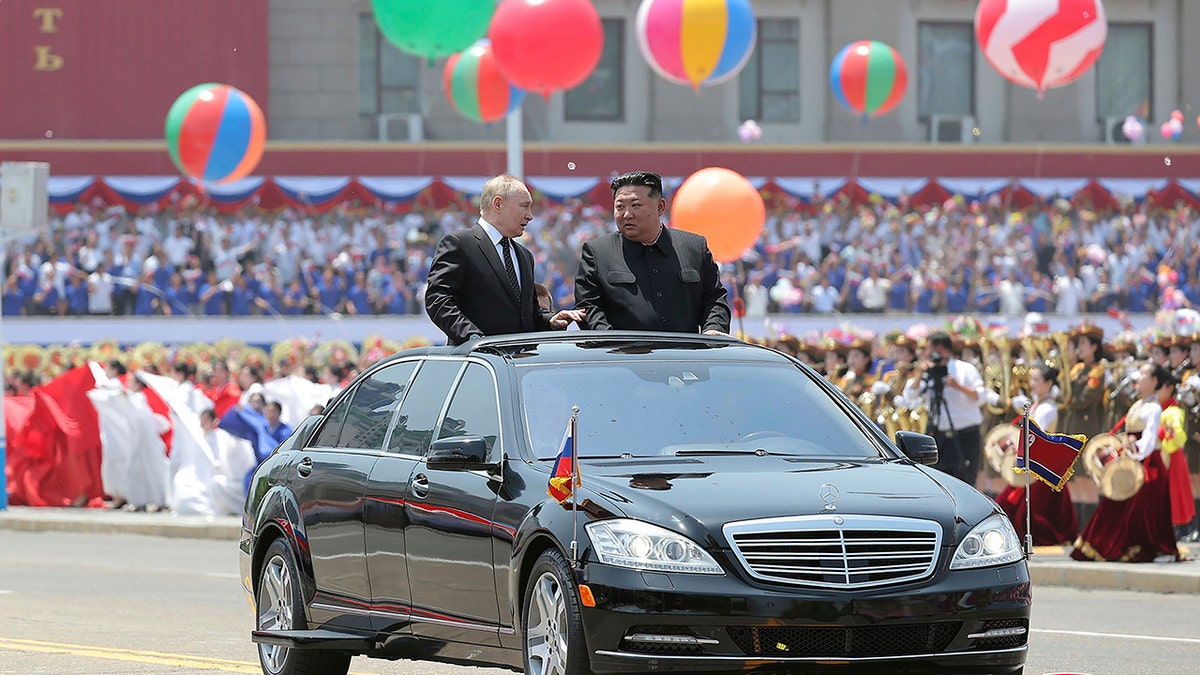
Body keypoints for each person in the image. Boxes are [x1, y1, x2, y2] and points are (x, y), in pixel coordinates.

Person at [425, 174, 582, 345]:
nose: (530, 216)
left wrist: (550, 321)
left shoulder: (524, 256)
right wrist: (473, 338)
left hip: (520, 363)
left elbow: (528, 314)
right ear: (498, 204)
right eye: (524, 206)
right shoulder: (460, 244)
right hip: (479, 364)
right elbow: (438, 299)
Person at [574, 170, 730, 334]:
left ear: (660, 207)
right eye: (620, 207)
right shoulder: (598, 253)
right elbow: (588, 306)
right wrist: (610, 340)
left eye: (636, 205)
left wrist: (714, 328)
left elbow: (714, 298)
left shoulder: (695, 247)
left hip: (685, 355)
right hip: (623, 356)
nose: (627, 214)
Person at [1072, 363, 1180, 562]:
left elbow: (1148, 443)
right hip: (1134, 461)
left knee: (1144, 510)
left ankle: (1161, 550)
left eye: (1143, 375)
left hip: (1150, 466)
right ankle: (1104, 545)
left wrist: (1132, 447)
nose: (1137, 379)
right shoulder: (1138, 405)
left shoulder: (1154, 408)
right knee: (1116, 502)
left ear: (1154, 381)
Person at [995, 363, 1078, 546]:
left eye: (1036, 379)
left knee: (1026, 510)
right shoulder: (1036, 405)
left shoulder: (1048, 408)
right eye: (1031, 379)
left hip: (1042, 467)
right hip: (1033, 463)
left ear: (1048, 383)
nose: (1031, 383)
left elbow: (1034, 435)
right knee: (1008, 503)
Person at [902, 331, 986, 486]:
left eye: (928, 349)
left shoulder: (965, 369)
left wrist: (958, 386)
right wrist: (919, 374)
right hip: (939, 436)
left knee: (966, 482)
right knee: (939, 482)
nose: (926, 353)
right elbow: (910, 396)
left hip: (965, 436)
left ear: (939, 349)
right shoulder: (929, 371)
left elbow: (981, 397)